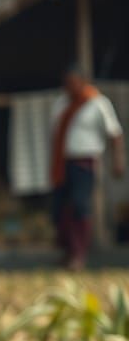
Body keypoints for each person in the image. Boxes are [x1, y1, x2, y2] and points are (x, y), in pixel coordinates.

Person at [49, 64, 126, 270]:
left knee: (79, 205)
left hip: (84, 163)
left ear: (83, 82)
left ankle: (79, 254)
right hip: (62, 163)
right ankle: (67, 251)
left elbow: (115, 133)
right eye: (66, 83)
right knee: (61, 209)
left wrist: (118, 160)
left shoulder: (97, 103)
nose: (69, 87)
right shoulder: (61, 103)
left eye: (73, 83)